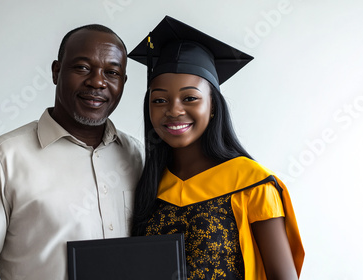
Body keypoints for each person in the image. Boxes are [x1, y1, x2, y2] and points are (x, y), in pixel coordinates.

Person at [0, 24, 144, 280]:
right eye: (82, 67)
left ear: (123, 82)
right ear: (56, 71)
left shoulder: (138, 157)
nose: (97, 81)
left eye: (112, 72)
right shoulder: (2, 158)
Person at [129, 16, 304, 279]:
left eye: (190, 98)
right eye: (160, 100)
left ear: (213, 107)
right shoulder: (149, 187)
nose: (173, 110)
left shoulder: (252, 184)